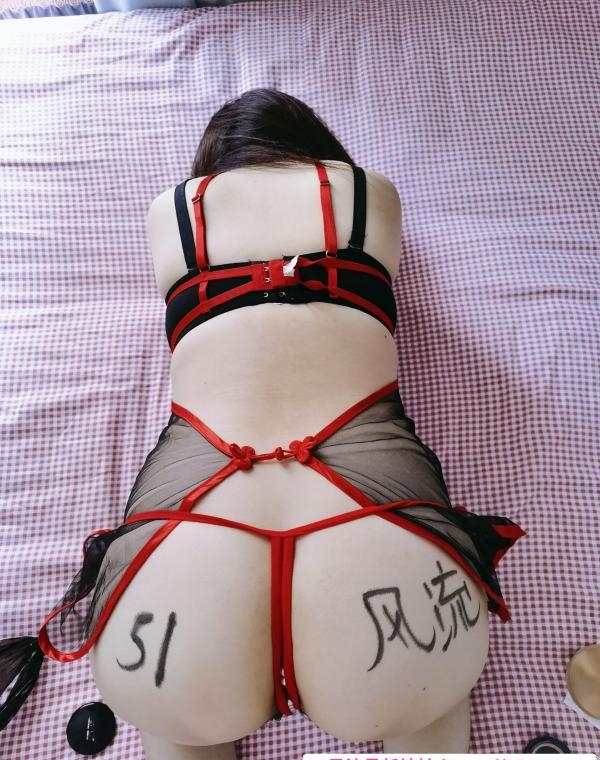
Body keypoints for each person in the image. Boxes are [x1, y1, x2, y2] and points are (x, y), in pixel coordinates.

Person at [0, 87, 526, 759]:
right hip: (389, 582)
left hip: (178, 588)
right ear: (320, 150)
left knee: (181, 724)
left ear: (210, 166)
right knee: (424, 712)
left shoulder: (175, 213)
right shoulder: (366, 196)